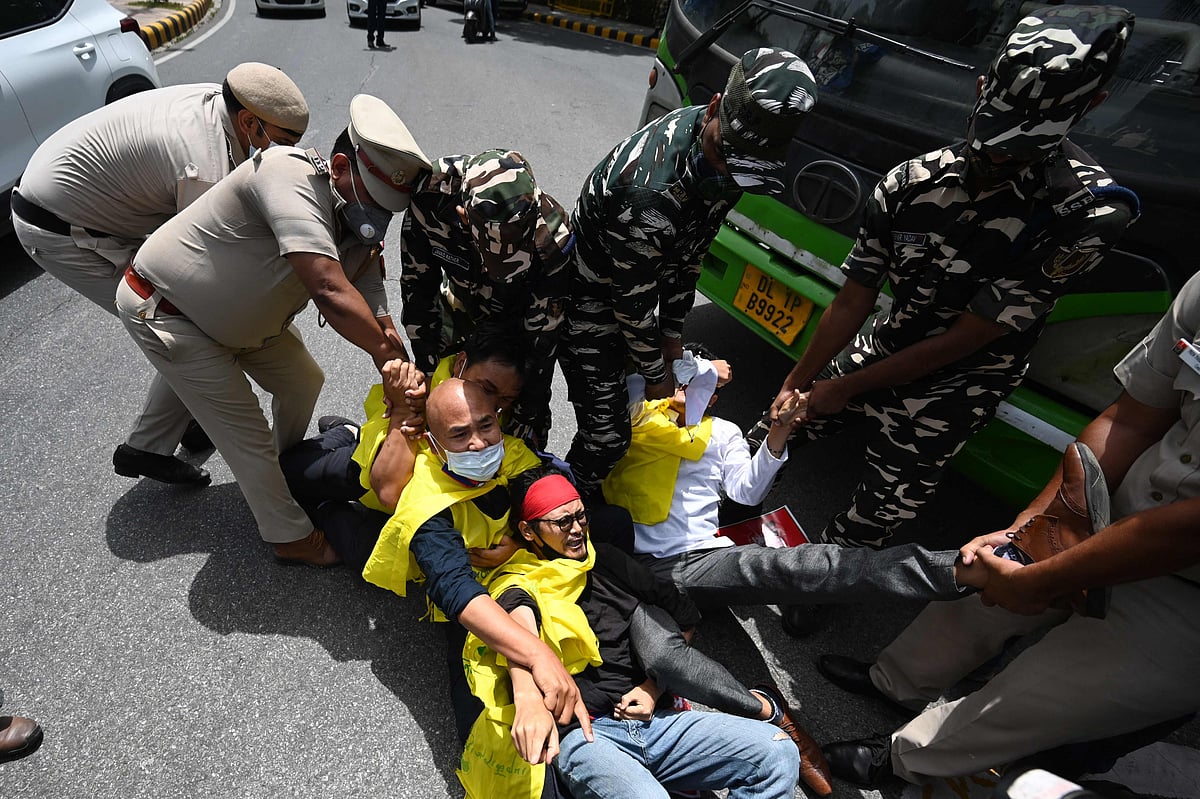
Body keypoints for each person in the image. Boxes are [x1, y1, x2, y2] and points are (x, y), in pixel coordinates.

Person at [750, 6, 1138, 549]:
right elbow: (855, 296)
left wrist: (844, 388)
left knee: (884, 503)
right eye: (993, 131)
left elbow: (972, 336)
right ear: (981, 88)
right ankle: (729, 511)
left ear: (1092, 106)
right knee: (775, 425)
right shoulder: (910, 182)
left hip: (967, 375)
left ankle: (822, 577)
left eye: (1019, 145)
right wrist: (802, 382)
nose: (997, 157)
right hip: (893, 339)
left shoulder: (1088, 213)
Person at [817, 268, 1200, 787]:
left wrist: (1043, 580)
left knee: (1046, 693)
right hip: (1119, 506)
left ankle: (907, 760)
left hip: (1188, 585)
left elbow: (1184, 530)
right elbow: (1131, 418)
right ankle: (895, 684)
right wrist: (1037, 522)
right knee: (980, 584)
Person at [116, 94, 428, 567]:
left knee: (304, 380)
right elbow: (329, 289)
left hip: (245, 325)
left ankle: (287, 477)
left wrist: (398, 366)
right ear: (340, 167)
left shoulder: (355, 222)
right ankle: (288, 534)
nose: (378, 219)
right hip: (174, 314)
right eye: (375, 203)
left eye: (389, 211)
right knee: (247, 435)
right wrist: (388, 361)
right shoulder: (288, 172)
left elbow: (374, 303)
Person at [12, 63, 309, 486]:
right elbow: (210, 269)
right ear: (249, 122)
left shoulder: (226, 107)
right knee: (179, 323)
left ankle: (176, 422)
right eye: (278, 144)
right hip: (60, 229)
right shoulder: (202, 166)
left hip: (78, 197)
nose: (280, 156)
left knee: (184, 327)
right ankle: (146, 449)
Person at [560, 47, 817, 498]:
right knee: (609, 435)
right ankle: (561, 510)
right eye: (724, 155)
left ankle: (591, 492)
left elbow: (688, 259)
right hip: (590, 300)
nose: (727, 174)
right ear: (714, 107)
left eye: (742, 170)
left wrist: (674, 339)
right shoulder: (648, 189)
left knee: (624, 415)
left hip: (637, 289)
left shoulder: (732, 160)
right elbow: (632, 304)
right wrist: (660, 375)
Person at [459, 466, 803, 799]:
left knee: (776, 753)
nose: (577, 529)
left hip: (653, 723)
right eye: (563, 522)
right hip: (586, 737)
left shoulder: (606, 561)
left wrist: (653, 687)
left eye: (580, 516)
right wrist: (528, 696)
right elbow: (518, 636)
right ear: (529, 531)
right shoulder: (517, 583)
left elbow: (685, 615)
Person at [602, 344, 990, 616]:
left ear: (713, 399)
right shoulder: (636, 415)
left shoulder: (721, 432)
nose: (685, 388)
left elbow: (746, 493)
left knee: (789, 567)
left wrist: (779, 433)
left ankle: (950, 571)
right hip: (619, 557)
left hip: (691, 563)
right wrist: (700, 367)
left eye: (696, 385)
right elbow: (642, 361)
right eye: (679, 379)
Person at [359, 377, 591, 745]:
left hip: (511, 569)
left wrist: (516, 542)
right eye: (459, 434)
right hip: (461, 578)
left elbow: (551, 500)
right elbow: (454, 588)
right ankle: (342, 440)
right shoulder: (424, 500)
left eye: (486, 425)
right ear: (434, 447)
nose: (479, 443)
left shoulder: (514, 455)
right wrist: (537, 655)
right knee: (477, 713)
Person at [278, 331, 529, 565]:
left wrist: (517, 545)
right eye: (486, 388)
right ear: (460, 363)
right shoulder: (417, 387)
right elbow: (389, 491)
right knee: (284, 475)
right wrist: (403, 412)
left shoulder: (507, 421)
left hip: (417, 506)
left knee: (371, 554)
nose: (490, 405)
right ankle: (346, 434)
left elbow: (536, 485)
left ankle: (329, 508)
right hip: (372, 469)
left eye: (504, 400)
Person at [401, 149, 575, 447]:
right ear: (463, 217)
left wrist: (526, 415)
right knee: (446, 406)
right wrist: (427, 371)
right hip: (460, 302)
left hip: (521, 317)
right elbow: (418, 288)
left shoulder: (553, 239)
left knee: (522, 423)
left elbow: (542, 341)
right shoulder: (432, 197)